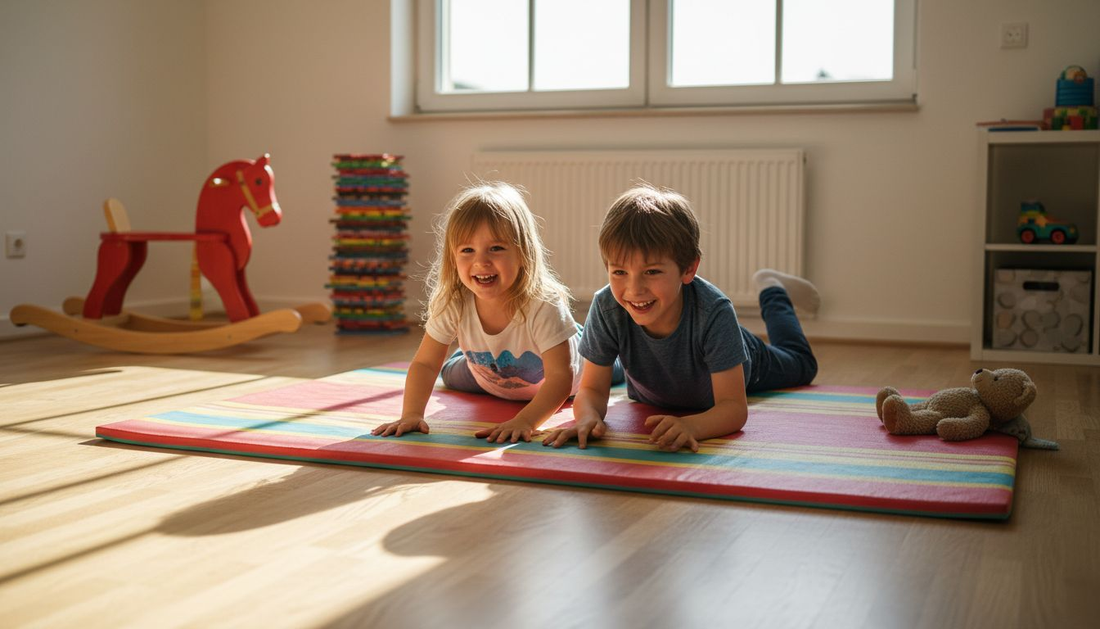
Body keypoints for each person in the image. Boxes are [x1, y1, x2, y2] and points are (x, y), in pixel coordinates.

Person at [542, 183, 820, 453]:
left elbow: (733, 408)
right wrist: (588, 417)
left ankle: (772, 288)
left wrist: (693, 426)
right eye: (619, 272)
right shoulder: (607, 307)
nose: (634, 289)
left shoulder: (714, 312)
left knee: (803, 364)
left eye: (651, 272)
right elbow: (591, 389)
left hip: (751, 362)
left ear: (688, 269)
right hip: (667, 386)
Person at [372, 182, 585, 444]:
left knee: (607, 365)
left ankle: (576, 332)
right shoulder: (454, 300)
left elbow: (561, 378)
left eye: (496, 248)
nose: (481, 262)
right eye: (467, 250)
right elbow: (426, 363)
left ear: (523, 252)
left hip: (572, 374)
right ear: (453, 258)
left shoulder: (543, 303)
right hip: (487, 377)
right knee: (448, 374)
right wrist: (411, 414)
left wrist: (525, 421)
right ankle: (471, 348)